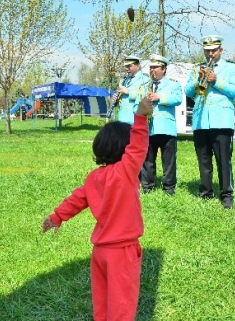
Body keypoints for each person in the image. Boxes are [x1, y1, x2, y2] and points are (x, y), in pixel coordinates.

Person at [41, 98, 153, 321]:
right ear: (124, 148)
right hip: (122, 251)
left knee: (102, 303)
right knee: (122, 306)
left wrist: (57, 216)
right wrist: (141, 117)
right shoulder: (125, 172)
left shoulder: (94, 177)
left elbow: (77, 199)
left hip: (100, 252)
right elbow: (139, 146)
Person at [185, 35, 235, 209]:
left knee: (224, 160)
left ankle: (226, 195)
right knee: (203, 160)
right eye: (207, 50)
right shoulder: (196, 68)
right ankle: (206, 192)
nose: (210, 53)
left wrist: (216, 80)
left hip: (222, 121)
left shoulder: (232, 68)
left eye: (213, 50)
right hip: (201, 120)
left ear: (220, 50)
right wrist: (198, 79)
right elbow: (188, 92)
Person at [140, 54, 183, 195]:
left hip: (166, 128)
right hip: (149, 128)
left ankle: (169, 188)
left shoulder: (173, 83)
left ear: (164, 69)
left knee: (168, 160)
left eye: (155, 67)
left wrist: (160, 97)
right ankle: (148, 186)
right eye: (151, 67)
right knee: (147, 159)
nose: (152, 70)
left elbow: (177, 99)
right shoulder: (145, 85)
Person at [113, 55, 150, 124]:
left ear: (138, 66)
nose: (127, 69)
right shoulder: (124, 80)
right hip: (121, 119)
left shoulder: (145, 80)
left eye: (129, 66)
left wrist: (129, 92)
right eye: (126, 66)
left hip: (134, 120)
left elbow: (145, 97)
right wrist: (116, 99)